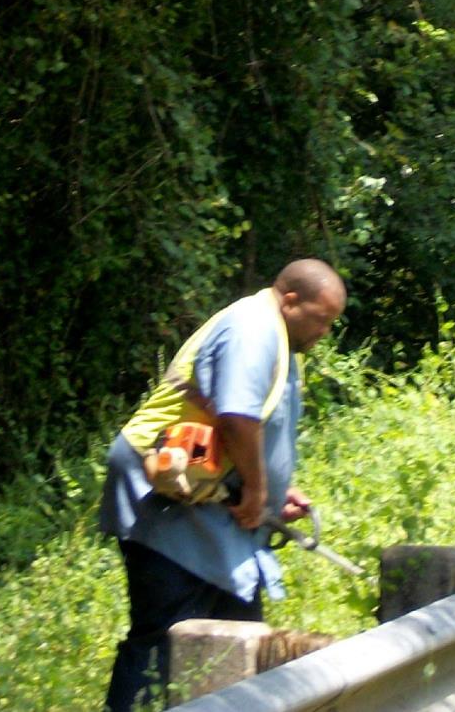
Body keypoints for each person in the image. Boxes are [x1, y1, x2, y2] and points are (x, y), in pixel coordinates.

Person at [99, 259, 347, 712]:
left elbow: (254, 430)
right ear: (291, 300)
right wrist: (255, 490)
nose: (325, 331)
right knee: (163, 641)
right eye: (321, 319)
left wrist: (271, 493)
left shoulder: (279, 339)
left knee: (238, 637)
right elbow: (237, 415)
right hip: (168, 502)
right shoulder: (253, 328)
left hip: (211, 505)